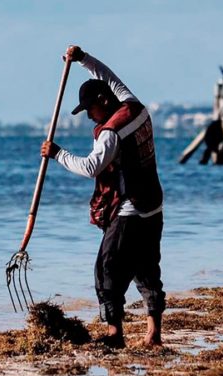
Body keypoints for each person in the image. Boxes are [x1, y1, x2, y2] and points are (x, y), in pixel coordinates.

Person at [41, 45, 165, 348]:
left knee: (106, 269)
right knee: (147, 268)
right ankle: (154, 334)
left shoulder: (111, 133)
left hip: (131, 210)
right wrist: (83, 59)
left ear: (103, 101)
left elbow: (90, 166)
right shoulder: (136, 106)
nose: (89, 118)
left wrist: (58, 154)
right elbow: (107, 76)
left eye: (90, 111)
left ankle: (114, 335)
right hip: (154, 206)